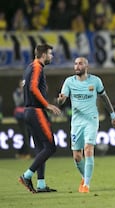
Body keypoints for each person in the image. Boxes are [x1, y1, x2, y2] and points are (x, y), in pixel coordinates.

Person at [57, 57, 115, 193]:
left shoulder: (95, 81)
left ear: (87, 66)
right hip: (76, 122)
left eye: (80, 64)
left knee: (88, 149)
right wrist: (60, 100)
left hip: (91, 120)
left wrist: (113, 115)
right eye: (75, 64)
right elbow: (62, 101)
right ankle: (84, 177)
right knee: (77, 156)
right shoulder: (69, 82)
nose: (77, 66)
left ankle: (86, 185)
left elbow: (104, 98)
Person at [18, 43, 62, 193]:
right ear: (43, 55)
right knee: (50, 147)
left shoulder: (29, 68)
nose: (51, 56)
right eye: (50, 54)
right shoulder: (37, 67)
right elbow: (33, 88)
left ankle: (41, 184)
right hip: (36, 111)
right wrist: (47, 105)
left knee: (41, 148)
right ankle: (26, 175)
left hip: (29, 111)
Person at [13, 79, 31, 159]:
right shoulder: (17, 93)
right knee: (25, 135)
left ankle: (20, 153)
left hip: (27, 115)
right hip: (20, 116)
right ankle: (26, 153)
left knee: (28, 134)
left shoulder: (27, 92)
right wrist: (24, 93)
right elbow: (18, 102)